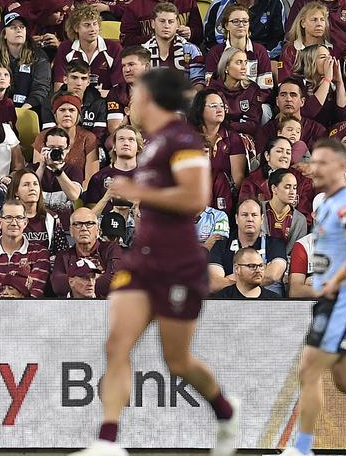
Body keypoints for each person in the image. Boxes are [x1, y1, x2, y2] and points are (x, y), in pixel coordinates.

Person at [70, 68, 239, 456]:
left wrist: (138, 189)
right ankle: (108, 442)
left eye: (134, 94)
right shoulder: (151, 144)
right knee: (117, 345)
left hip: (179, 264)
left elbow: (196, 198)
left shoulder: (183, 140)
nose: (129, 101)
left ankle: (227, 413)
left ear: (150, 99)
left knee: (177, 361)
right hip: (142, 262)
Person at [277, 138, 346, 455]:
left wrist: (335, 280)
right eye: (314, 163)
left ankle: (301, 449)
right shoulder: (326, 203)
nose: (315, 169)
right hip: (333, 300)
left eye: (322, 163)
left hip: (344, 299)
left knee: (309, 370)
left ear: (341, 167)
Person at [208, 197, 289, 294]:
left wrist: (231, 279)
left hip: (268, 303)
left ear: (262, 219)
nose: (250, 219)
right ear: (236, 219)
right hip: (231, 303)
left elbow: (272, 275)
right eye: (244, 215)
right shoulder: (221, 244)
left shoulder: (275, 244)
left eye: (254, 215)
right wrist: (257, 277)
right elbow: (214, 283)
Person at [0, 199, 49, 298]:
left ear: (25, 222)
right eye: (8, 218)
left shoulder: (40, 253)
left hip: (29, 311)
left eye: (19, 218)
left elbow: (36, 291)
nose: (14, 223)